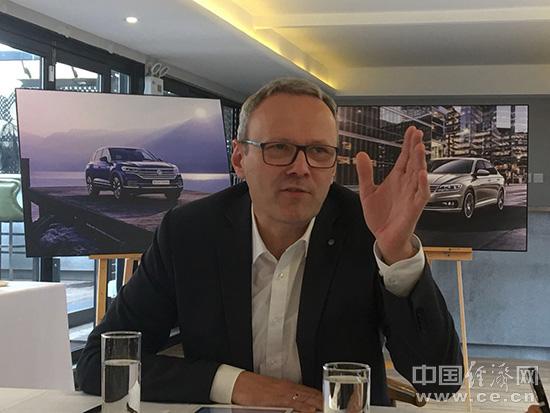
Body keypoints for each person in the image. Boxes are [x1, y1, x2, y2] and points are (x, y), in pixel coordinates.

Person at [77, 78, 462, 411]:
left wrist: (397, 254)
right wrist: (235, 384)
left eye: (319, 151)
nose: (301, 168)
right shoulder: (189, 233)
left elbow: (439, 381)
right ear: (239, 158)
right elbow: (99, 364)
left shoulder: (367, 230)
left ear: (333, 164)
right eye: (278, 147)